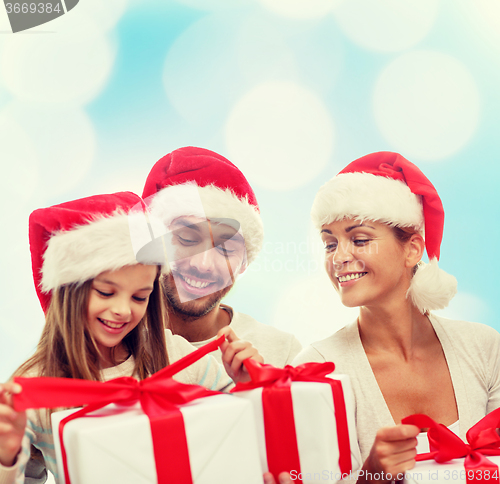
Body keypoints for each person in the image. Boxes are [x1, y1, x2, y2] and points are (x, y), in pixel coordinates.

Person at [0, 191, 261, 484]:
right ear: (69, 291)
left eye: (139, 297)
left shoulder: (177, 356)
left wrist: (248, 388)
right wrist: (6, 457)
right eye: (106, 292)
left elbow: (241, 439)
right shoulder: (36, 389)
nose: (123, 310)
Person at [293, 151, 500, 483]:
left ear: (412, 249)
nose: (340, 257)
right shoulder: (318, 370)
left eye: (359, 239)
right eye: (330, 244)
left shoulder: (484, 347)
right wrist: (371, 477)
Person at [142, 146, 302, 368]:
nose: (203, 264)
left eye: (226, 249)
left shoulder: (282, 354)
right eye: (187, 239)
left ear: (244, 263)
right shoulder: (103, 344)